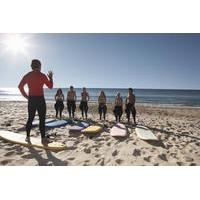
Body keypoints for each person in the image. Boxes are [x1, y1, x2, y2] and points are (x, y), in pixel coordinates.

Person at [18, 59, 53, 144]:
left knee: (30, 118)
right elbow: (50, 86)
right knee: (42, 119)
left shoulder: (28, 75)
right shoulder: (42, 75)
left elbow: (20, 86)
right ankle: (43, 138)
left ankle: (27, 137)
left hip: (32, 99)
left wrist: (27, 97)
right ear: (40, 66)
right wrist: (51, 78)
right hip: (40, 99)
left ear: (32, 66)